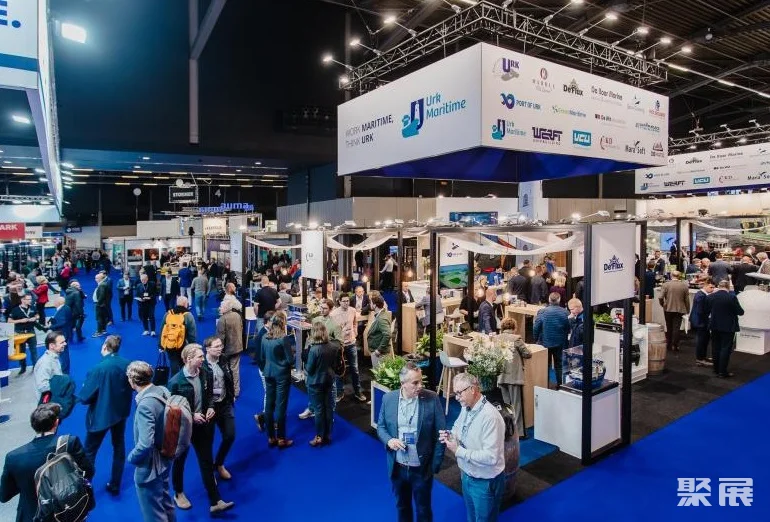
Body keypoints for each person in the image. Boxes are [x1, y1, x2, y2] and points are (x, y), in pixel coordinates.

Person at [167, 344, 235, 514]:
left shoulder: (204, 372)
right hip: (184, 428)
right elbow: (172, 409)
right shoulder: (175, 382)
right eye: (200, 357)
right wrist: (191, 415)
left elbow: (210, 394)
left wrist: (211, 407)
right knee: (180, 461)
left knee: (206, 461)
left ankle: (215, 501)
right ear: (189, 359)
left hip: (203, 425)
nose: (203, 359)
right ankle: (178, 493)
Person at [0, 403, 94, 522]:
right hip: (68, 511)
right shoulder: (70, 443)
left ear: (33, 425)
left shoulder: (14, 457)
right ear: (56, 422)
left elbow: (4, 496)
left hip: (32, 516)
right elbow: (88, 471)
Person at [377, 363, 446, 522]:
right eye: (415, 383)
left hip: (422, 469)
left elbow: (441, 434)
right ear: (403, 383)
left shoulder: (432, 398)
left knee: (423, 510)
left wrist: (434, 465)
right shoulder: (388, 399)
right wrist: (389, 440)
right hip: (398, 468)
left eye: (421, 381)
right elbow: (381, 427)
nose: (420, 386)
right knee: (402, 507)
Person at [440, 373, 506, 522]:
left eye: (459, 393)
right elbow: (457, 427)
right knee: (471, 518)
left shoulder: (490, 417)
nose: (457, 398)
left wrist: (458, 451)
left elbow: (491, 457)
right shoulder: (466, 407)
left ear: (472, 389)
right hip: (467, 475)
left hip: (485, 482)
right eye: (455, 393)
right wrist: (450, 435)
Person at [78, 335, 132, 496]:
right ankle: (115, 483)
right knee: (119, 446)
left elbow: (85, 397)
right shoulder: (127, 364)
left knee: (89, 451)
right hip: (120, 414)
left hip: (100, 416)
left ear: (104, 347)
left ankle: (85, 487)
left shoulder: (98, 369)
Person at [125, 361, 176, 522]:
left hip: (151, 467)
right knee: (166, 503)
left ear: (132, 381)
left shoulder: (145, 405)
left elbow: (145, 443)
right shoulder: (162, 390)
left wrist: (132, 458)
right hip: (165, 458)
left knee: (154, 515)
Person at [202, 336, 236, 481]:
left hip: (224, 404)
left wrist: (231, 394)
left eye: (221, 345)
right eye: (216, 346)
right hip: (208, 409)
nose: (220, 348)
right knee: (207, 443)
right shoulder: (202, 365)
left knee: (230, 435)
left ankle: (219, 463)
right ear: (207, 349)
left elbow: (229, 377)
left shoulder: (223, 359)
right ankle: (209, 473)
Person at [259, 311, 294, 448]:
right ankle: (281, 438)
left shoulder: (264, 337)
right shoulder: (283, 339)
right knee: (281, 406)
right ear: (283, 323)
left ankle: (271, 437)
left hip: (268, 374)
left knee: (269, 405)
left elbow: (262, 357)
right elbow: (290, 360)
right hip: (282, 376)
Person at [305, 322, 339, 446]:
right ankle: (327, 435)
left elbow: (309, 369)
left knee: (319, 410)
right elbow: (335, 365)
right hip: (329, 380)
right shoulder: (333, 347)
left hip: (315, 383)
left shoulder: (313, 350)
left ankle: (319, 436)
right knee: (328, 408)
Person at [496, 318, 531, 438]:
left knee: (506, 406)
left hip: (501, 377)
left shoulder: (497, 338)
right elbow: (527, 354)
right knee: (516, 405)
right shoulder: (516, 339)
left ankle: (507, 430)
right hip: (514, 377)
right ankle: (520, 433)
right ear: (514, 327)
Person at [330, 294, 367, 403]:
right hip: (340, 345)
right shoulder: (334, 314)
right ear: (339, 302)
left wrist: (355, 332)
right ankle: (339, 392)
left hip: (351, 343)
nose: (346, 303)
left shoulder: (352, 310)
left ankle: (358, 391)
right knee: (339, 370)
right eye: (344, 301)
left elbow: (355, 322)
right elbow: (332, 331)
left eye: (347, 301)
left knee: (355, 369)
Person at [705, 280, 744, 378]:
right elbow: (740, 312)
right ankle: (722, 372)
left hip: (714, 325)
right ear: (728, 287)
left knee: (715, 347)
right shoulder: (731, 297)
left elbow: (706, 311)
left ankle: (716, 369)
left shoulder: (710, 297)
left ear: (718, 286)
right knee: (725, 349)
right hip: (728, 327)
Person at [534, 292, 570, 387]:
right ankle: (560, 386)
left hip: (545, 343)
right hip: (560, 343)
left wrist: (535, 339)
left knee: (546, 365)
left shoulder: (542, 312)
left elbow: (536, 327)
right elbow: (568, 328)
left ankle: (545, 386)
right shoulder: (565, 312)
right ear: (559, 300)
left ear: (549, 300)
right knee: (559, 365)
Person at [158, 296, 198, 376]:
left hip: (170, 343)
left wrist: (160, 345)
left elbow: (162, 330)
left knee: (173, 361)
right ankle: (184, 378)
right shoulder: (188, 315)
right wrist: (192, 346)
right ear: (186, 304)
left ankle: (174, 379)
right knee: (184, 363)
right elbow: (192, 333)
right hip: (183, 344)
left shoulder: (168, 314)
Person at [216, 297, 244, 397]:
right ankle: (236, 390)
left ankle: (227, 390)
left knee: (224, 370)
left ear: (226, 308)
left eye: (221, 306)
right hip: (237, 347)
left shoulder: (222, 320)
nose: (219, 308)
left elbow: (220, 338)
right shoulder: (237, 315)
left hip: (226, 350)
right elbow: (241, 328)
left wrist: (219, 351)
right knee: (235, 369)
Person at [8, 292, 40, 374]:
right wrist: (20, 321)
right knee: (22, 351)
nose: (30, 301)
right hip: (20, 333)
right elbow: (9, 321)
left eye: (30, 299)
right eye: (28, 299)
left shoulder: (32, 307)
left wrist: (35, 318)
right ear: (22, 300)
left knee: (34, 350)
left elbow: (37, 315)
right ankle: (23, 368)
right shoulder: (15, 310)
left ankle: (35, 367)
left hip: (31, 331)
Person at [660, 271, 690, 353]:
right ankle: (675, 345)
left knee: (669, 326)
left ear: (671, 275)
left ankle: (669, 344)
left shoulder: (666, 285)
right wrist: (688, 310)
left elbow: (660, 297)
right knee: (676, 327)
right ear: (679, 276)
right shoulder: (684, 286)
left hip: (668, 308)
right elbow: (687, 300)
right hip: (680, 309)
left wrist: (663, 304)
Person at [690, 278, 715, 367]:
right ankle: (700, 359)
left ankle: (702, 357)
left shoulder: (701, 294)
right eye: (711, 287)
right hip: (701, 322)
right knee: (701, 341)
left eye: (713, 288)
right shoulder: (701, 296)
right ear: (706, 285)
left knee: (704, 340)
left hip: (702, 321)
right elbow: (700, 311)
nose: (712, 290)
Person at [34, 331, 65, 398]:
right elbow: (43, 386)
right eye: (62, 342)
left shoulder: (54, 357)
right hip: (50, 400)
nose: (65, 344)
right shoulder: (45, 363)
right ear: (51, 346)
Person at [48, 296, 73, 374]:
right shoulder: (66, 308)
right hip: (66, 332)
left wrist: (51, 327)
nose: (54, 303)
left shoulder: (63, 310)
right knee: (64, 352)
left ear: (58, 302)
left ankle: (64, 371)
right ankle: (65, 369)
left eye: (55, 301)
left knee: (63, 353)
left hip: (63, 334)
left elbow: (63, 322)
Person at [367, 293, 392, 368]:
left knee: (379, 373)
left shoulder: (381, 319)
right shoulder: (381, 314)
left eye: (371, 303)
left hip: (380, 354)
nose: (370, 304)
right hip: (378, 351)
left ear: (375, 305)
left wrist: (379, 350)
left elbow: (387, 335)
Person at [135, 272, 158, 336]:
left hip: (151, 303)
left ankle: (153, 331)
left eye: (144, 280)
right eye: (142, 280)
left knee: (151, 316)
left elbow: (156, 293)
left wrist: (150, 297)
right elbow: (137, 295)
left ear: (147, 278)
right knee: (144, 317)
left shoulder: (152, 284)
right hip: (142, 303)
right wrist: (140, 299)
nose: (143, 281)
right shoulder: (138, 286)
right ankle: (146, 330)